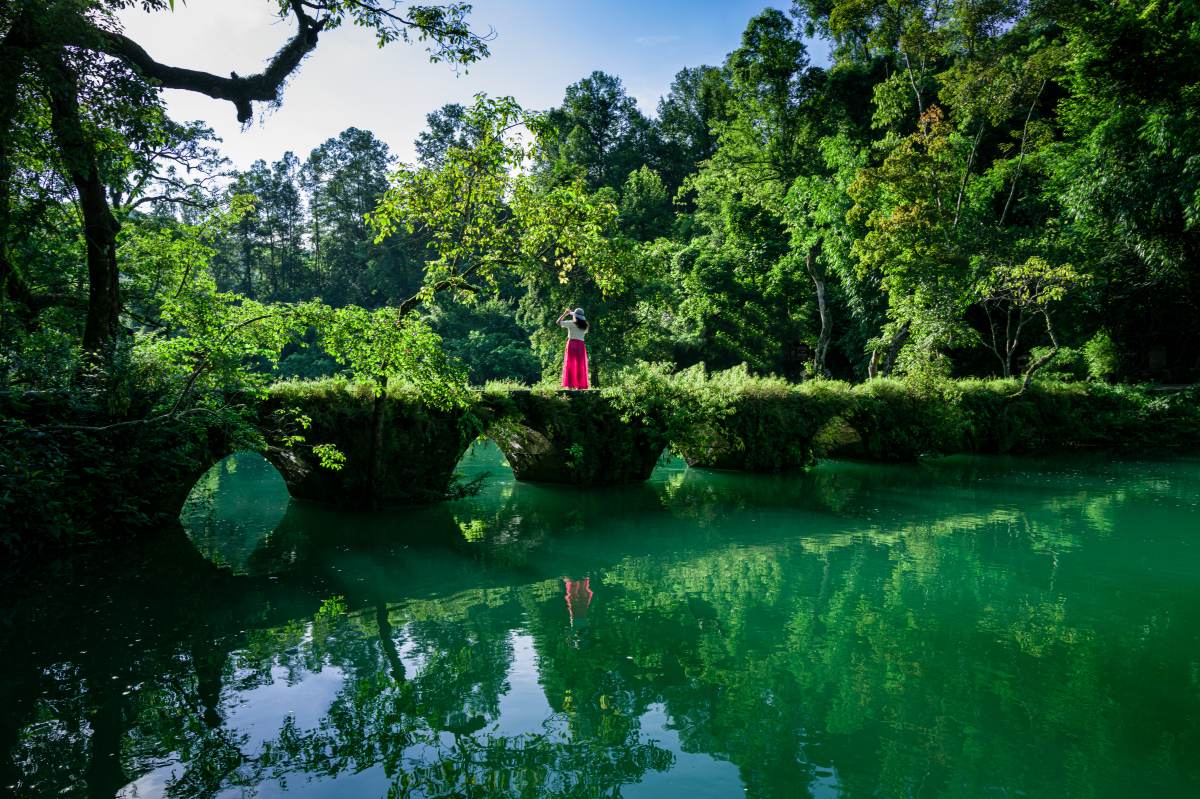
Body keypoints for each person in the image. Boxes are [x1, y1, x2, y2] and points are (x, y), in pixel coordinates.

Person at [557, 307, 590, 389]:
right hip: (580, 345)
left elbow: (558, 322)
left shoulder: (571, 324)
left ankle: (570, 386)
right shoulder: (586, 326)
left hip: (571, 344)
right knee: (580, 365)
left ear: (575, 316)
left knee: (570, 364)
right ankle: (579, 386)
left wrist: (565, 313)